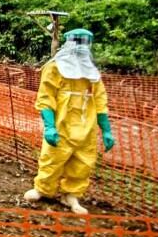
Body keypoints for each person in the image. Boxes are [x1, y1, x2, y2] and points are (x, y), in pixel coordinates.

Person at [23, 29, 116, 214]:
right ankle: (43, 189)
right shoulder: (55, 68)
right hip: (62, 125)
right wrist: (49, 126)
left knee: (83, 164)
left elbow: (100, 101)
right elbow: (46, 97)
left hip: (86, 128)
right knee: (52, 158)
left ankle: (71, 195)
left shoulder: (92, 73)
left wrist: (106, 130)